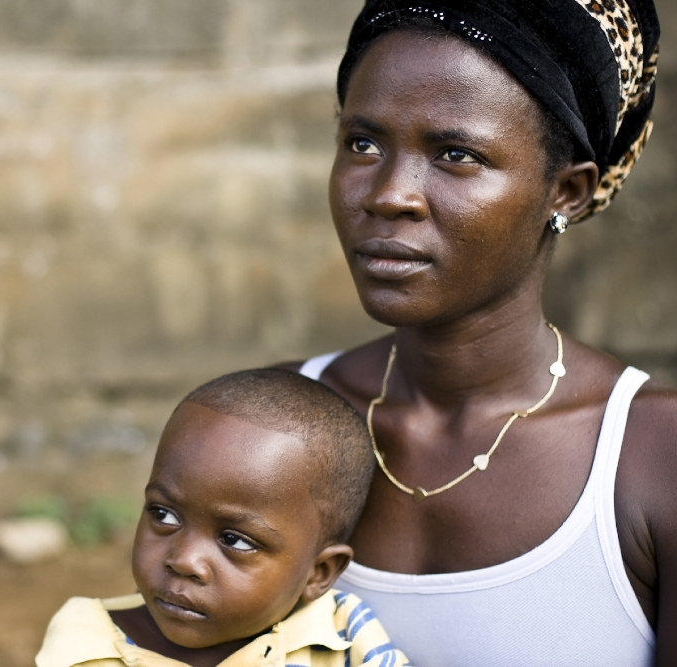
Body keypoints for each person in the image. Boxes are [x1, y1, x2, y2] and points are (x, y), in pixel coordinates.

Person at [285, 1, 675, 665]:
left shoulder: (652, 459)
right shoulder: (269, 425)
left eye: (456, 154)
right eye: (363, 143)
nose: (389, 193)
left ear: (568, 192)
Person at [36, 369, 412, 667]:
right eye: (163, 514)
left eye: (234, 540)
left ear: (319, 573)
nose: (183, 561)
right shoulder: (87, 640)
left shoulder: (343, 635)